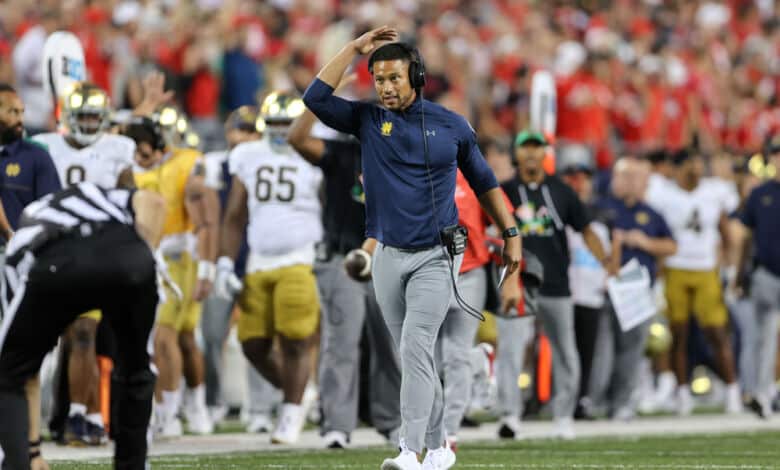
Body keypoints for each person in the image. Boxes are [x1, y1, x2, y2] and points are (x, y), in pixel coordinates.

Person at [303, 26, 521, 470]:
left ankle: (410, 450)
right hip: (387, 254)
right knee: (412, 356)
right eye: (379, 79)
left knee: (416, 346)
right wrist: (352, 49)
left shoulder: (451, 125)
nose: (385, 87)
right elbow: (316, 99)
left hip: (436, 255)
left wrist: (512, 235)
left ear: (416, 77)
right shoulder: (366, 119)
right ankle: (440, 448)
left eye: (394, 78)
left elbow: (485, 183)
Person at [0, 181, 165, 470]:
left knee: (9, 375)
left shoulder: (27, 225)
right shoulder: (104, 196)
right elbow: (156, 203)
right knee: (137, 371)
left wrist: (33, 451)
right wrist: (143, 261)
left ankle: (18, 463)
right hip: (128, 256)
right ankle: (134, 462)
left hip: (54, 263)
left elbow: (23, 375)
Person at [288, 85, 402, 449]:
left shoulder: (405, 157)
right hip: (343, 259)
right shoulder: (341, 153)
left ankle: (394, 422)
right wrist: (321, 95)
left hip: (390, 258)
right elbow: (297, 137)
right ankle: (337, 424)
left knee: (393, 346)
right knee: (341, 344)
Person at [216, 91, 323, 445]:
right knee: (251, 343)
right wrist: (224, 262)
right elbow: (235, 214)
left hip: (300, 256)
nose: (280, 131)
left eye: (286, 124)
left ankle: (290, 412)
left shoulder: (314, 153)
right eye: (274, 124)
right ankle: (299, 393)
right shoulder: (248, 154)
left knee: (295, 339)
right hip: (259, 259)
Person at [32, 82, 136, 446]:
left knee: (84, 333)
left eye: (95, 117)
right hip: (52, 251)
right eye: (83, 116)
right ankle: (81, 415)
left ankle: (79, 414)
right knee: (60, 338)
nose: (89, 124)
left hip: (97, 253)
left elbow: (129, 202)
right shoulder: (45, 146)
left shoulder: (118, 149)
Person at [499, 131, 611, 441]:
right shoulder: (503, 191)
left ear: (545, 153)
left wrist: (606, 262)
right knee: (510, 349)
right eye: (525, 147)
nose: (531, 153)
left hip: (556, 281)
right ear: (516, 153)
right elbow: (485, 229)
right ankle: (510, 415)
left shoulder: (562, 191)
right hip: (517, 282)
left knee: (565, 351)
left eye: (537, 147)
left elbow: (586, 229)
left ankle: (563, 415)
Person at [126, 114, 219, 436]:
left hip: (178, 254)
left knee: (165, 337)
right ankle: (190, 404)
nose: (139, 159)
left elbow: (206, 218)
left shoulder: (186, 163)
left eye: (144, 152)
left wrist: (207, 267)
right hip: (143, 254)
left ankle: (171, 410)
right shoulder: (126, 168)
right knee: (183, 338)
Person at [200, 106, 281, 432]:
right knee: (211, 335)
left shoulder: (271, 162)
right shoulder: (213, 164)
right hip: (222, 258)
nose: (243, 137)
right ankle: (212, 402)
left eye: (249, 131)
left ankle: (261, 408)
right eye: (239, 130)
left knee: (260, 337)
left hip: (257, 258)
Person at [645, 149, 741, 415]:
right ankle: (682, 392)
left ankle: (733, 390)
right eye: (691, 166)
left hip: (706, 268)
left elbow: (726, 232)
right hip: (675, 268)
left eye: (699, 165)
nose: (696, 171)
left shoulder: (713, 192)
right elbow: (657, 232)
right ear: (677, 169)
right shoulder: (663, 194)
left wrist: (729, 270)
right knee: (678, 334)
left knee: (717, 332)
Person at [438, 169, 521, 451]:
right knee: (426, 356)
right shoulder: (417, 172)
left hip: (469, 273)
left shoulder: (475, 177)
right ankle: (477, 360)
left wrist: (511, 280)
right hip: (429, 274)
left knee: (455, 354)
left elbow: (509, 226)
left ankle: (448, 433)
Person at [598, 157, 676, 420]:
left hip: (636, 289)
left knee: (631, 351)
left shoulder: (651, 213)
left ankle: (622, 403)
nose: (633, 182)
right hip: (604, 288)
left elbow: (672, 245)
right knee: (603, 351)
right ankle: (594, 400)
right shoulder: (603, 208)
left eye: (637, 177)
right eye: (627, 176)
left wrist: (646, 243)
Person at [734, 134, 780, 418]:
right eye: (776, 154)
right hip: (766, 273)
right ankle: (761, 393)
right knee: (763, 336)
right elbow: (746, 238)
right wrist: (741, 275)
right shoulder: (759, 195)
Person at [0, 84, 61, 230]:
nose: (20, 119)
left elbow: (51, 213)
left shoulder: (36, 157)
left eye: (22, 112)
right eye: (13, 112)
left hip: (19, 243)